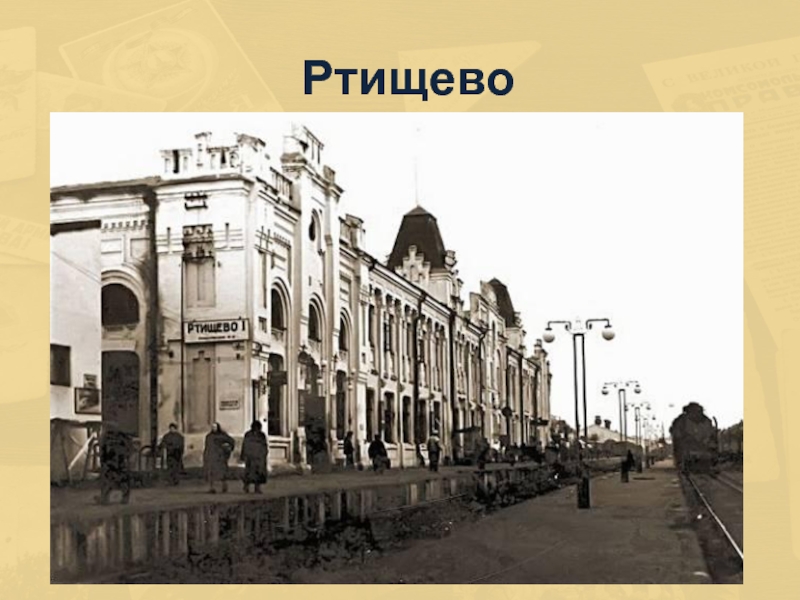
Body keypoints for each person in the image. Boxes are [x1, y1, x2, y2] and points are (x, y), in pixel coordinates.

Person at [96, 421, 133, 505]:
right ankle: (123, 497)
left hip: (112, 461)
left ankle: (105, 497)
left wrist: (103, 461)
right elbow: (129, 448)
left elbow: (102, 451)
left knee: (109, 479)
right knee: (121, 479)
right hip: (119, 461)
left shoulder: (106, 437)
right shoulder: (122, 437)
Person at [203, 422, 235, 494]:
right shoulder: (209, 436)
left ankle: (224, 486)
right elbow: (207, 446)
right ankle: (212, 487)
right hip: (211, 456)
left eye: (215, 427)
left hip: (220, 456)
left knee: (222, 473)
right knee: (211, 473)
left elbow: (231, 441)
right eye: (212, 427)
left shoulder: (222, 436)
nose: (214, 428)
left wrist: (228, 449)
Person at [241, 420, 268, 494]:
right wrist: (243, 455)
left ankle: (257, 488)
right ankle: (246, 487)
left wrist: (264, 454)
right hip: (250, 457)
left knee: (258, 473)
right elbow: (245, 445)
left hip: (258, 458)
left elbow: (264, 445)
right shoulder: (248, 434)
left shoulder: (261, 435)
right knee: (249, 473)